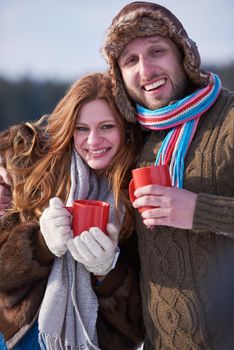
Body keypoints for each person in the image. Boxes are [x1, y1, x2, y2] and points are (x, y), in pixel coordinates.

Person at [99, 1, 234, 349]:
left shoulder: (229, 119)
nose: (146, 70)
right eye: (130, 60)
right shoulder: (133, 140)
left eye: (156, 51)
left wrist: (200, 210)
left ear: (183, 55)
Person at [0, 72, 144, 350]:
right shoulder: (35, 168)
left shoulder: (136, 193)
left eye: (106, 127)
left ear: (125, 129)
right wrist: (40, 244)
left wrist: (106, 271)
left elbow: (136, 324)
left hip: (91, 341)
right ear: (68, 128)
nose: (93, 141)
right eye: (81, 128)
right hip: (17, 338)